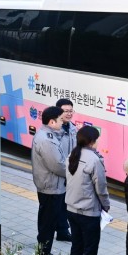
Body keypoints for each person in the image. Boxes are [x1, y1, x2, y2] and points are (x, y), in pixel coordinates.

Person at [66, 125, 111, 255]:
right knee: (90, 252)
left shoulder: (73, 154)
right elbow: (101, 187)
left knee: (76, 247)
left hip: (71, 209)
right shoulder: (94, 159)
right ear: (92, 141)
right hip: (88, 212)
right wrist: (106, 205)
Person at [31, 106, 67, 255]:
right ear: (52, 122)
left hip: (49, 186)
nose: (62, 122)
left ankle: (44, 254)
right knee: (47, 224)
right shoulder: (47, 140)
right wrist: (71, 173)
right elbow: (57, 166)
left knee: (47, 223)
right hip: (51, 188)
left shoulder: (45, 135)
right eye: (60, 120)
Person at [54, 98, 77, 242]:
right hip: (58, 174)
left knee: (66, 204)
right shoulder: (54, 130)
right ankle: (60, 231)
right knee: (57, 205)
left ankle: (63, 231)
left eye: (71, 111)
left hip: (70, 172)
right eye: (65, 111)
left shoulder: (73, 128)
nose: (69, 114)